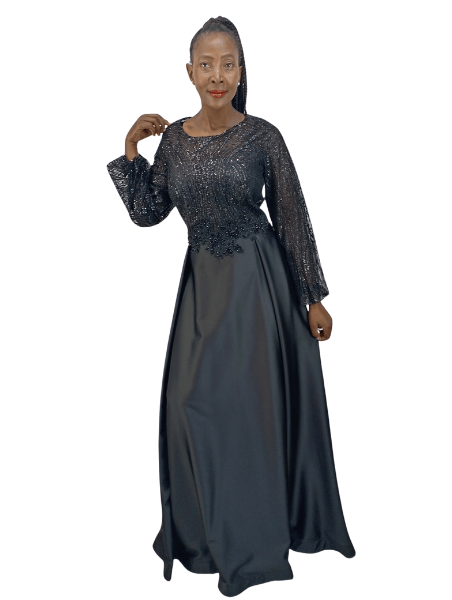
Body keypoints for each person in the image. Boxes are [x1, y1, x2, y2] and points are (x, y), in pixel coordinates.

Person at [106, 15, 356, 597]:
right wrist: (130, 149)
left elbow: (292, 216)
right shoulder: (174, 141)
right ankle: (204, 536)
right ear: (189, 72)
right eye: (206, 64)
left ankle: (257, 535)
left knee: (251, 411)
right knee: (187, 405)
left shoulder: (264, 137)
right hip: (203, 291)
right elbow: (148, 213)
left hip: (259, 288)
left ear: (241, 71)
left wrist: (313, 297)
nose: (216, 75)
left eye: (227, 64)